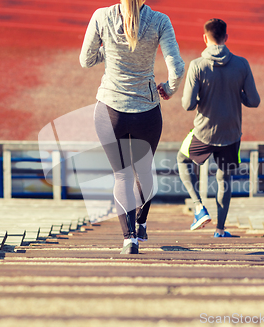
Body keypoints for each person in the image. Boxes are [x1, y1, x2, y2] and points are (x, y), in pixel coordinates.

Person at [80, 0, 184, 253]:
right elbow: (178, 68)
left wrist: (111, 51)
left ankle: (129, 239)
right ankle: (142, 221)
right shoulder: (160, 21)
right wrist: (169, 89)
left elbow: (86, 59)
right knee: (144, 171)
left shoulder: (101, 16)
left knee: (122, 175)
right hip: (147, 111)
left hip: (109, 110)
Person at [176, 18, 260, 237]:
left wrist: (201, 97)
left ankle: (198, 207)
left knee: (182, 159)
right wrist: (235, 91)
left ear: (205, 38)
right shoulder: (242, 64)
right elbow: (254, 101)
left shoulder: (197, 65)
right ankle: (220, 230)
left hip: (203, 132)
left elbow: (187, 105)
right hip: (231, 134)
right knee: (224, 179)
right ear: (226, 38)